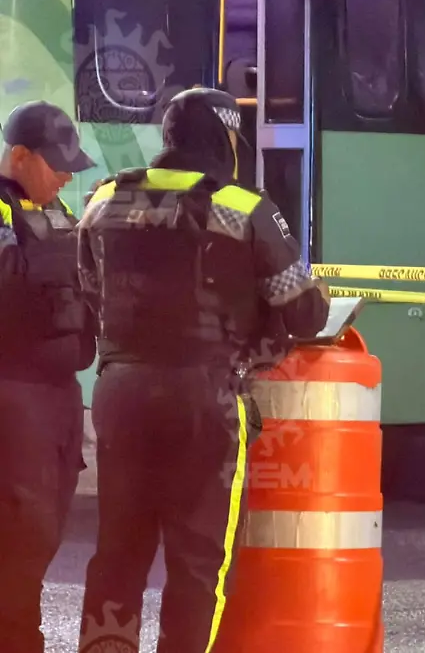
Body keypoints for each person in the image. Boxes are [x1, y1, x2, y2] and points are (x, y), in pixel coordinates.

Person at [76, 87, 331, 653]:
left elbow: (89, 288)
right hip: (205, 398)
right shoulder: (242, 207)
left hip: (120, 393)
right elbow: (305, 312)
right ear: (224, 138)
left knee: (118, 551)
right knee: (197, 564)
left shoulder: (105, 199)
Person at [0, 101, 98, 653]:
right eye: (57, 163)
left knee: (44, 533)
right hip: (15, 395)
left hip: (58, 399)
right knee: (22, 531)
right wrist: (73, 248)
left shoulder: (54, 208)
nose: (67, 173)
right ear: (19, 156)